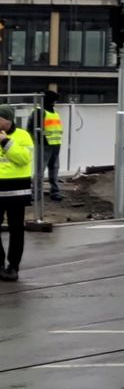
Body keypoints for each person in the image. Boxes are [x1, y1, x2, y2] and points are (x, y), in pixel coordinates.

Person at [0, 104, 34, 282]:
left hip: (16, 191)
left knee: (16, 230)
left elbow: (23, 159)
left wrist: (5, 142)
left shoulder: (23, 136)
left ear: (7, 120)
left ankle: (13, 266)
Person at [26, 90, 63, 201]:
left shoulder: (54, 112)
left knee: (54, 168)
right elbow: (33, 129)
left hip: (55, 144)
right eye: (54, 100)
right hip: (44, 145)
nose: (55, 102)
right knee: (40, 170)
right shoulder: (39, 111)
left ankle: (55, 191)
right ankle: (36, 193)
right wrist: (43, 139)